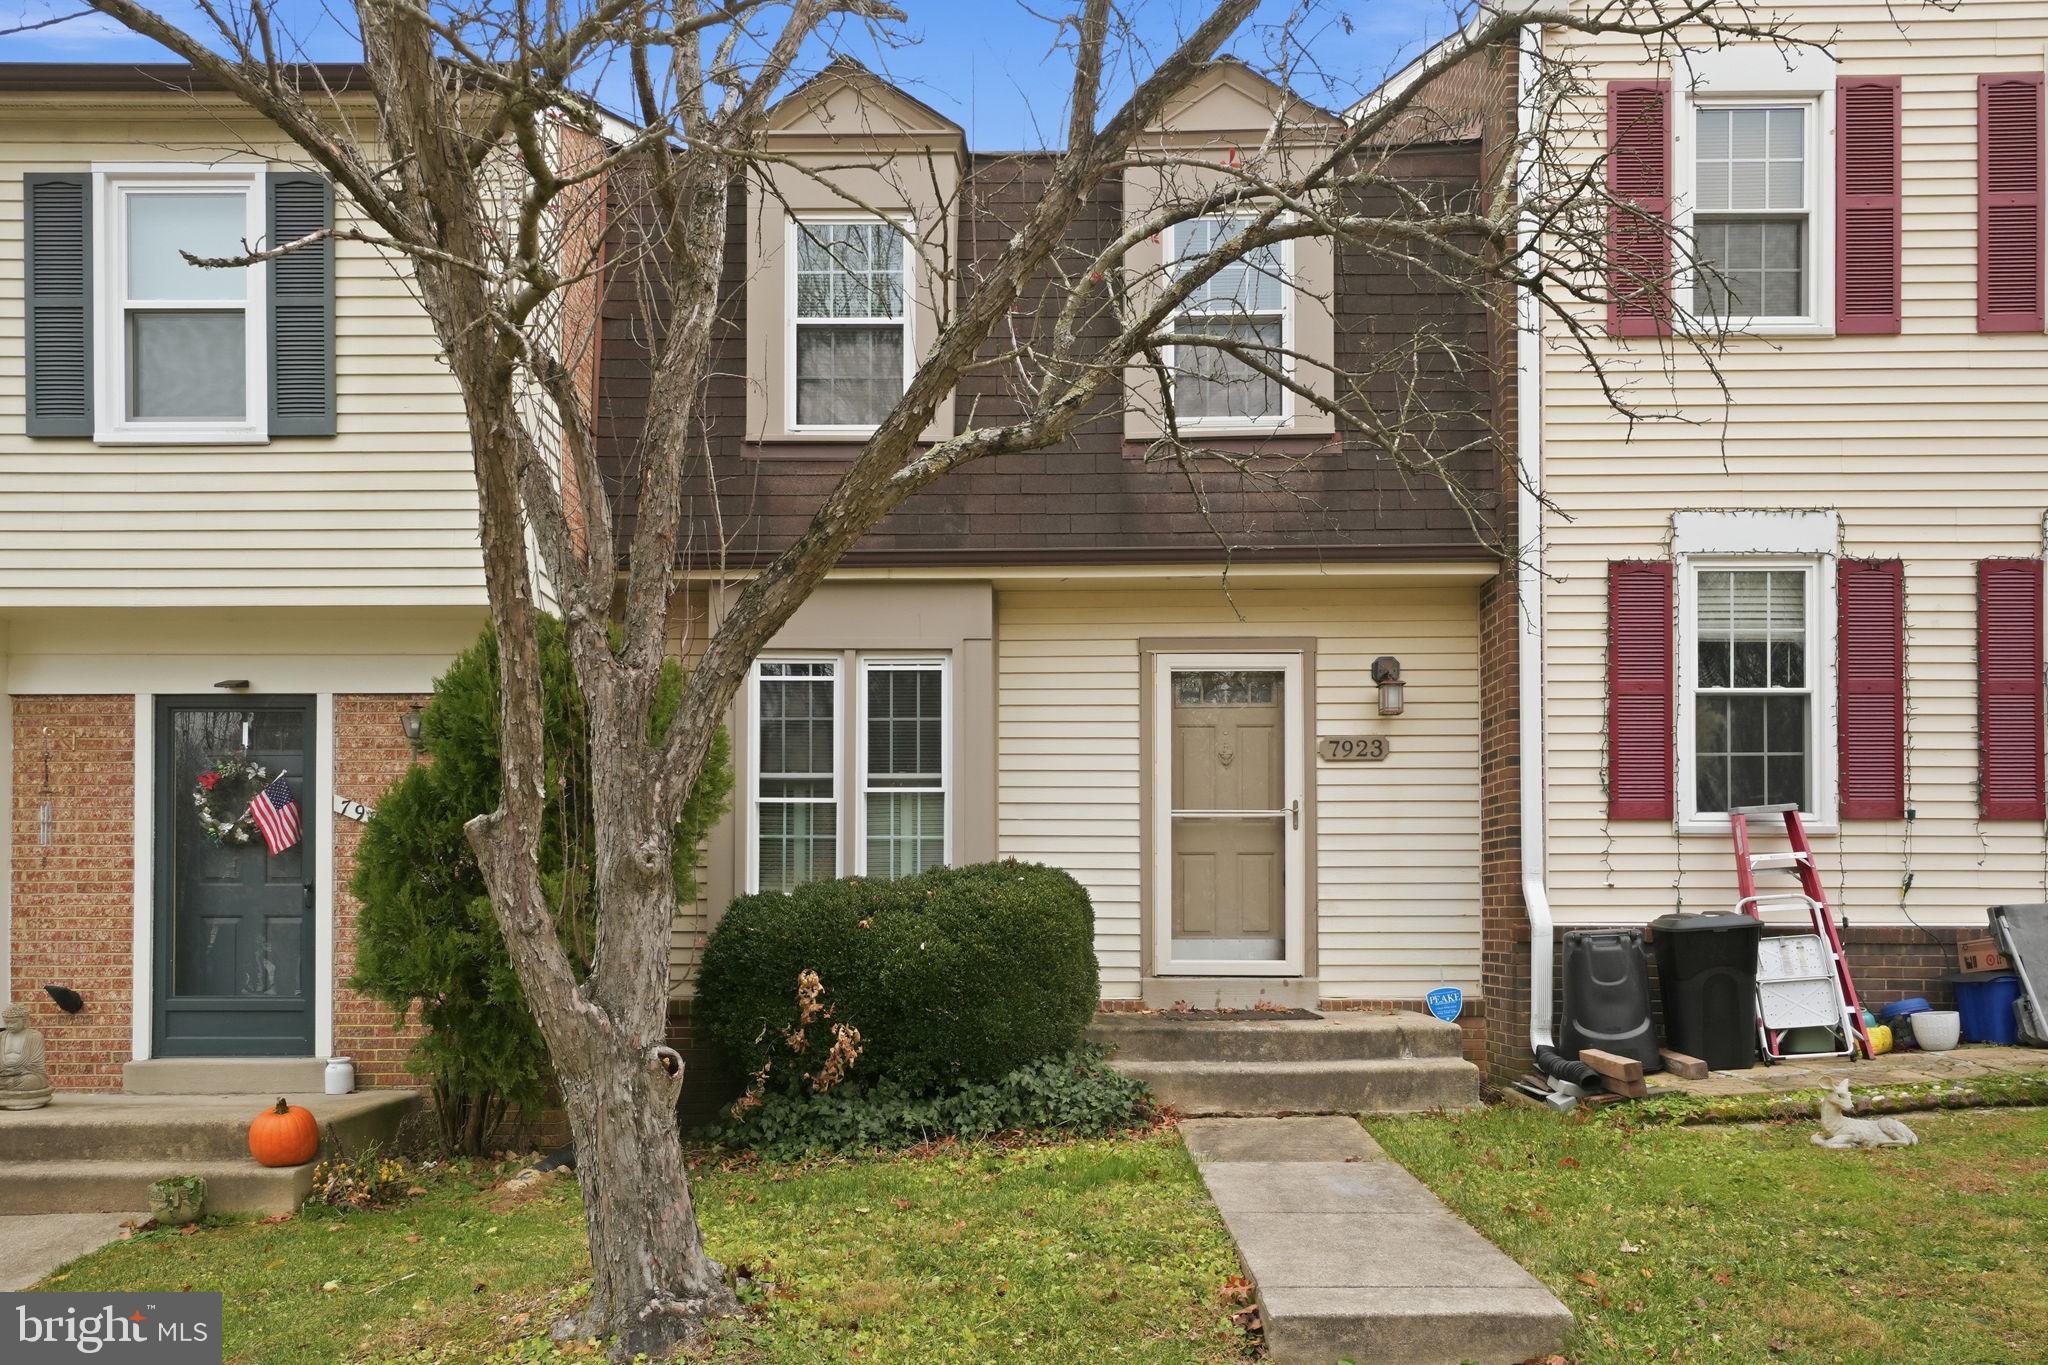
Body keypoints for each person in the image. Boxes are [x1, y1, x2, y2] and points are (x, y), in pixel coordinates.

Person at [0, 1003, 52, 1109]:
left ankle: (7, 1089)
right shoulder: (1, 1036)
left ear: (24, 1021)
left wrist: (17, 1071)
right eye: (7, 1022)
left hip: (26, 1074)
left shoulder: (35, 1036)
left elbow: (37, 1064)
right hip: (4, 1074)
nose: (10, 1025)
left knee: (30, 1081)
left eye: (14, 1022)